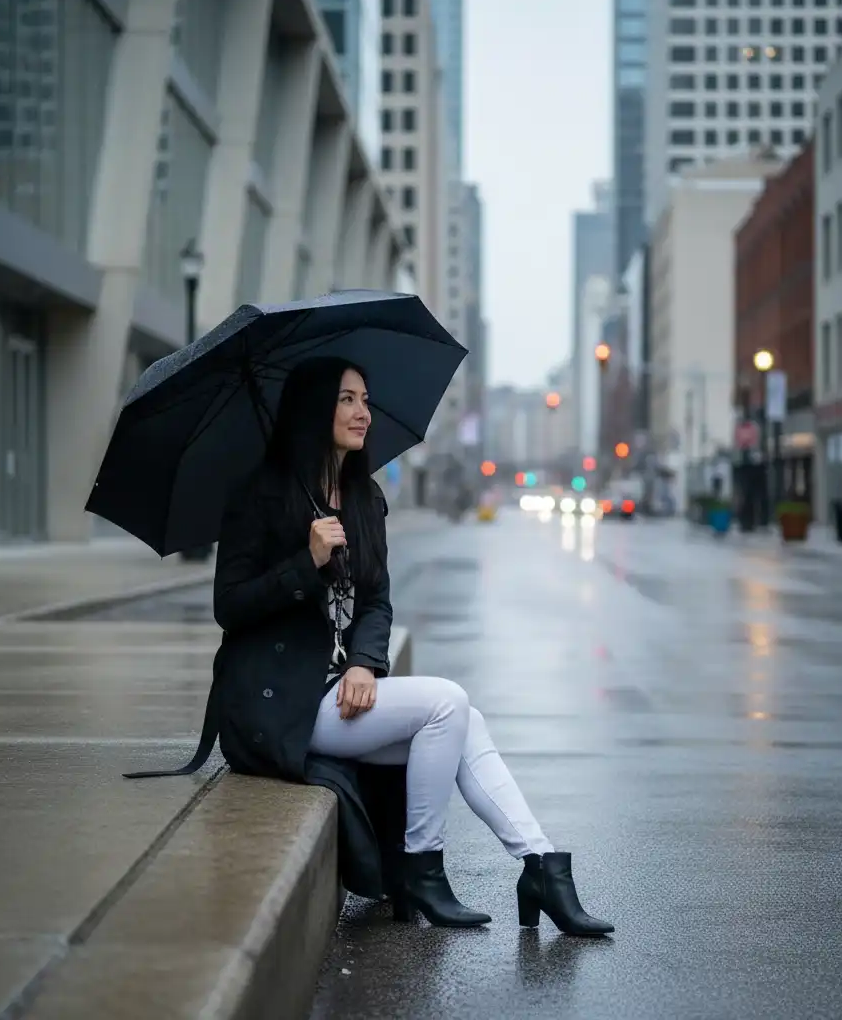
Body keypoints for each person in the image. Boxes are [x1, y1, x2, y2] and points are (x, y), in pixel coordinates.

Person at [211, 356, 614, 935]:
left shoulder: (362, 497)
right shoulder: (261, 495)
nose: (363, 413)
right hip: (278, 705)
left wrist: (364, 664)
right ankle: (421, 868)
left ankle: (541, 866)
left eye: (365, 400)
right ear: (313, 409)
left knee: (465, 719)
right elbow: (230, 606)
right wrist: (306, 562)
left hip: (338, 691)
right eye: (347, 399)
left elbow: (376, 601)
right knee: (447, 703)